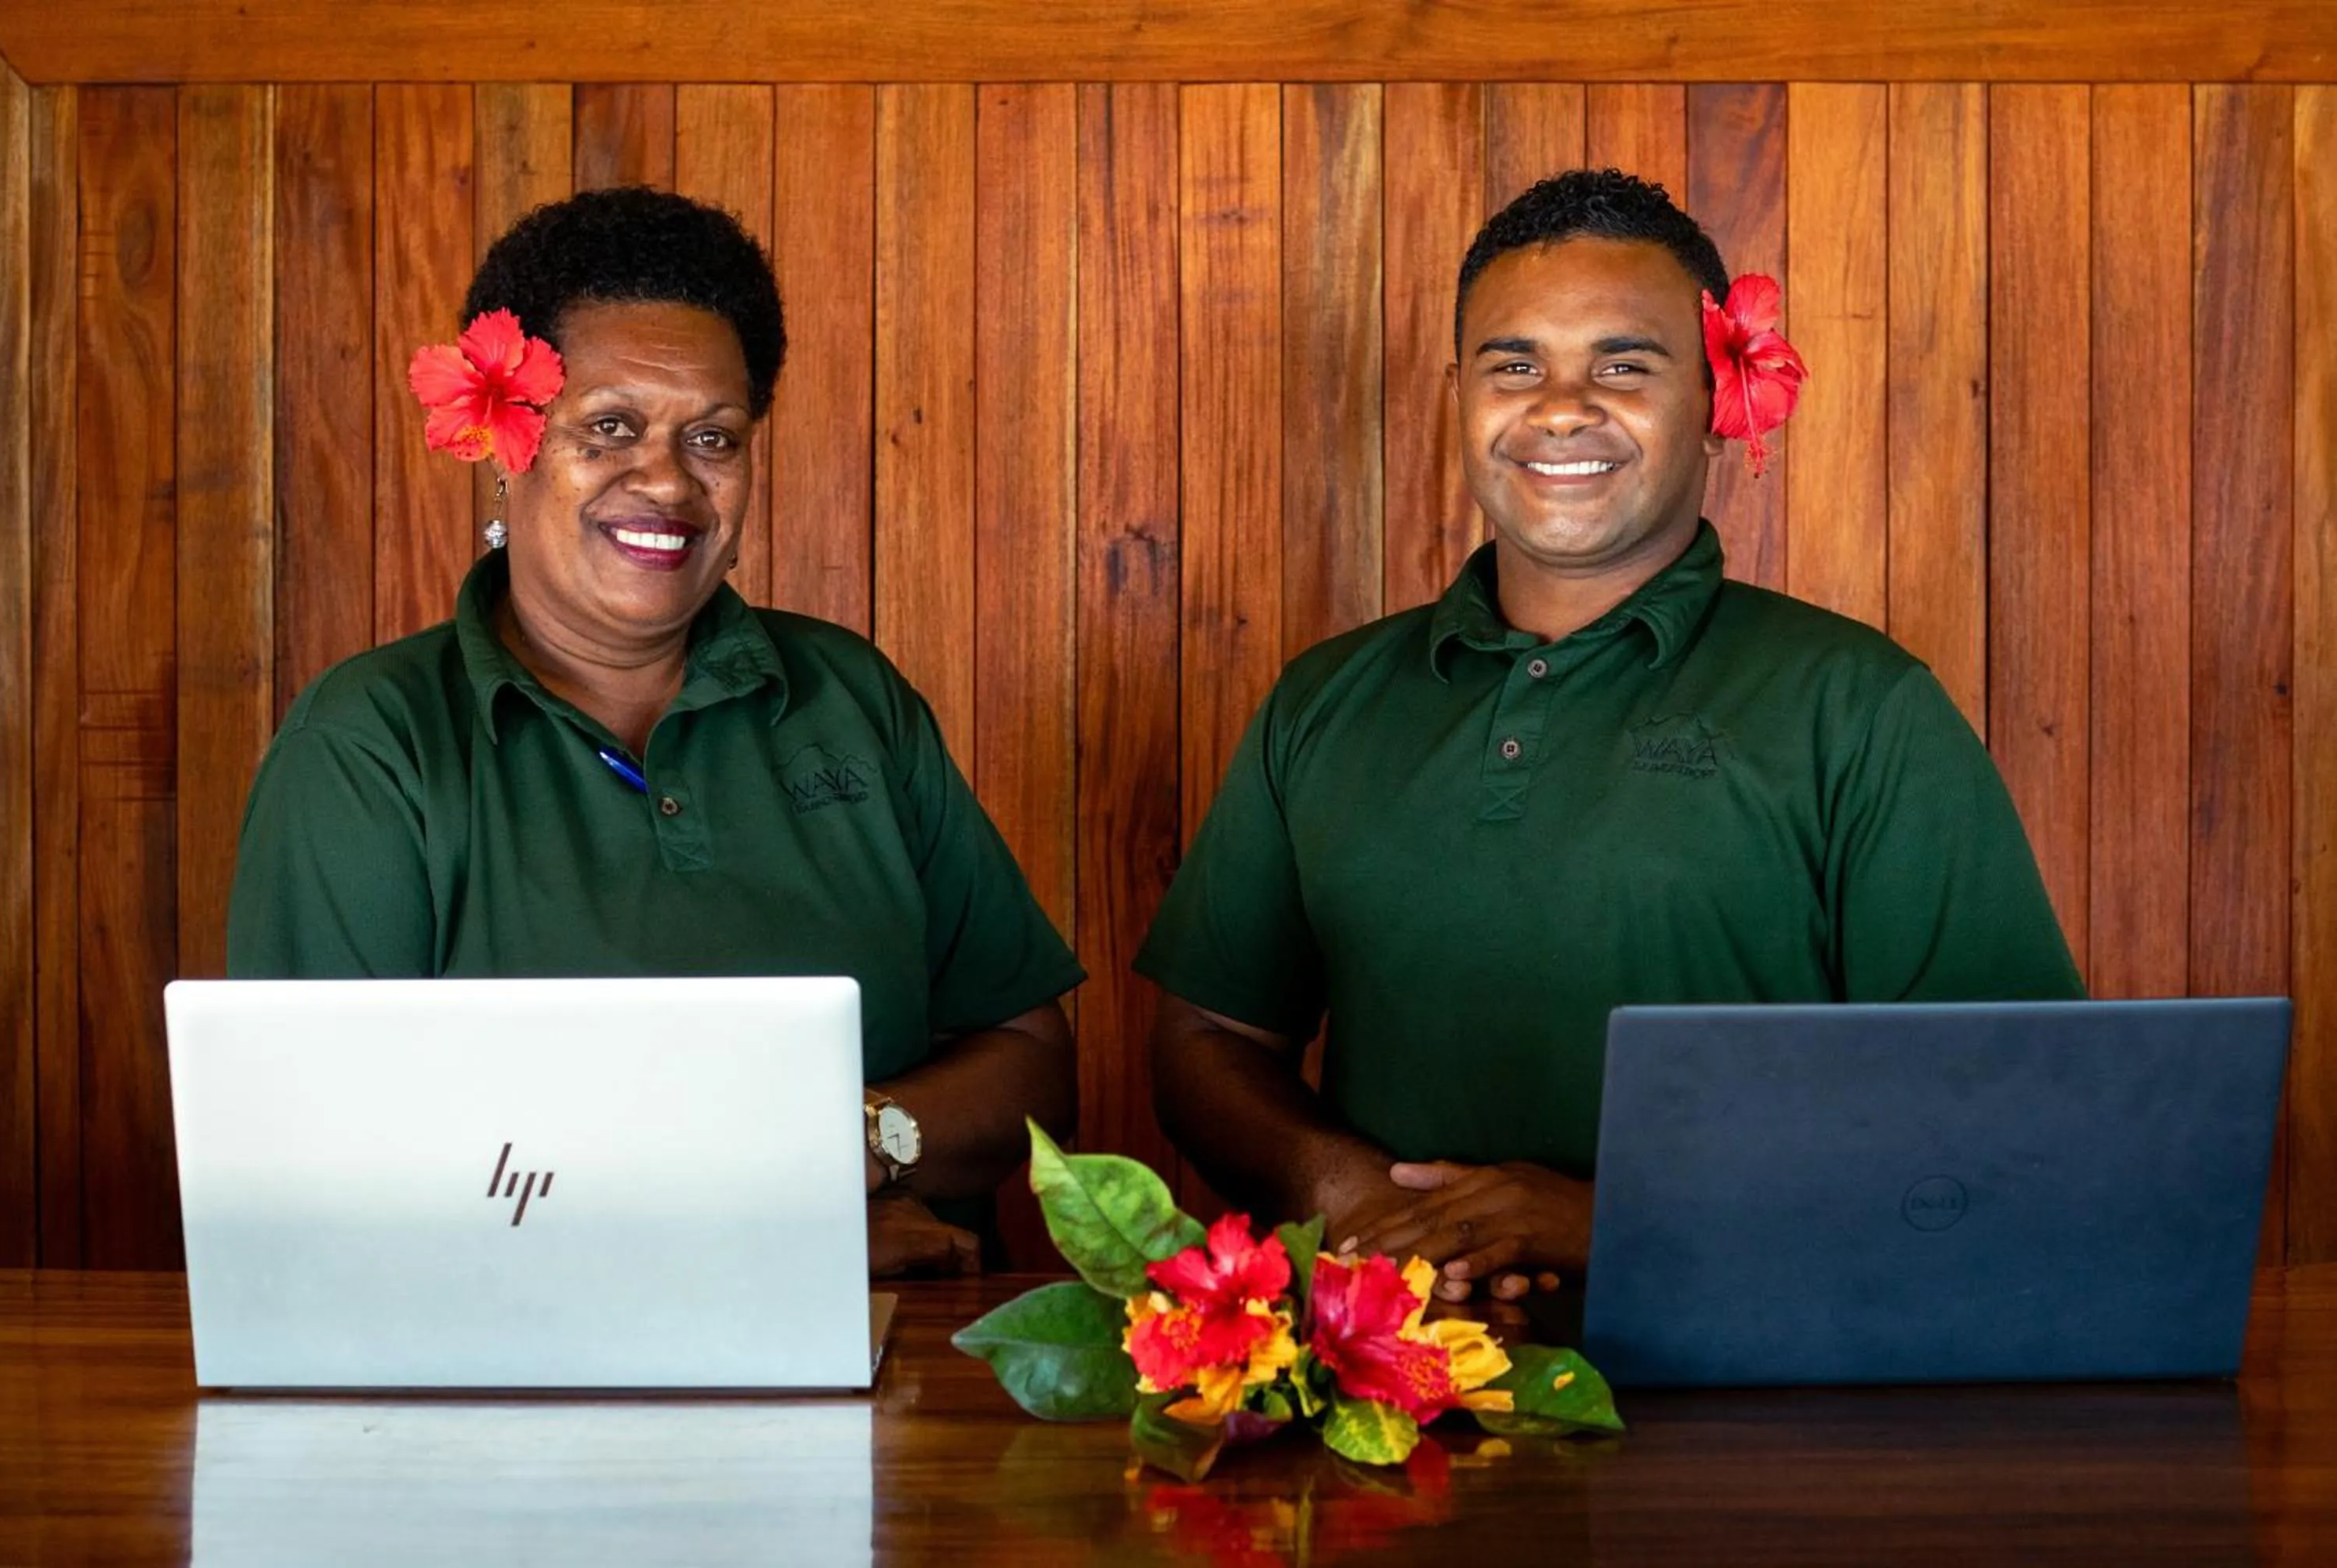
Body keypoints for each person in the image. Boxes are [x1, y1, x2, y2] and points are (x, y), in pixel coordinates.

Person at [1137, 169, 2083, 1311]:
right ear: (1461, 396)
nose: (1561, 406)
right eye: (1515, 364)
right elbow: (1206, 1035)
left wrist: (1621, 1219)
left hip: (1762, 1402)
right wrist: (1354, 1198)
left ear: (1720, 400)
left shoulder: (1858, 705)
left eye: (1624, 367)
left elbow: (2004, 1108)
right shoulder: (1325, 700)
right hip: (1391, 1398)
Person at [227, 187, 1083, 1276]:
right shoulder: (373, 745)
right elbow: (311, 1158)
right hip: (514, 1388)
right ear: (510, 441)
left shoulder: (848, 698)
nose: (670, 481)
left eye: (713, 438)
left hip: (896, 1366)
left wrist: (858, 1151)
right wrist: (766, 1237)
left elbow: (1028, 1057)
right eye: (613, 427)